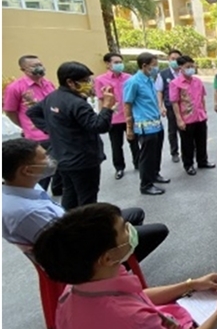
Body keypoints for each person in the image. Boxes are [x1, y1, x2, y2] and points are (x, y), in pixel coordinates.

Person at [32, 203, 217, 329]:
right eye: (124, 229)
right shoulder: (131, 324)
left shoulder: (74, 290)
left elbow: (138, 296)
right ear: (106, 257)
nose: (131, 230)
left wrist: (192, 284)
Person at [2, 138, 168, 262]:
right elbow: (71, 248)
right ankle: (111, 269)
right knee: (159, 230)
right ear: (27, 170)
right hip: (81, 252)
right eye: (44, 157)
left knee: (135, 213)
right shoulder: (28, 213)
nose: (49, 160)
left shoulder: (21, 187)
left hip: (71, 230)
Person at [26, 62, 115, 210]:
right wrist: (107, 107)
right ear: (70, 82)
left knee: (70, 194)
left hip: (62, 158)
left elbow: (32, 112)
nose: (88, 84)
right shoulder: (77, 103)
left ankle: (67, 224)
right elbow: (99, 126)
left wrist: (53, 129)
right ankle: (88, 228)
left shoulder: (53, 97)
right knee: (87, 199)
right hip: (83, 160)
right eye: (84, 81)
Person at [3, 55, 61, 194]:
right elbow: (10, 111)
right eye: (34, 66)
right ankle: (38, 195)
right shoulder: (15, 87)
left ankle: (58, 190)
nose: (39, 68)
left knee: (58, 165)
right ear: (23, 69)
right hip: (36, 135)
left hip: (54, 131)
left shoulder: (48, 83)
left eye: (40, 64)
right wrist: (24, 126)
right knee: (41, 169)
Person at [124, 52, 170, 196]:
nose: (156, 68)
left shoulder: (150, 79)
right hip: (145, 125)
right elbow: (127, 104)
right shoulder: (134, 82)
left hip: (156, 122)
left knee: (156, 153)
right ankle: (146, 184)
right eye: (154, 65)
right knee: (146, 156)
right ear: (144, 66)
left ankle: (155, 174)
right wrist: (129, 127)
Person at [95, 52, 139, 180]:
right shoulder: (101, 80)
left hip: (129, 115)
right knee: (116, 144)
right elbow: (100, 99)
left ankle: (138, 163)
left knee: (134, 141)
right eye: (116, 62)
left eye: (120, 62)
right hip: (113, 118)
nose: (119, 65)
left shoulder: (129, 78)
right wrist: (102, 116)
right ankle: (119, 168)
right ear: (108, 64)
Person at [169, 56, 216, 176]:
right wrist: (179, 119)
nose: (191, 69)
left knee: (201, 141)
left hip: (199, 116)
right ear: (180, 68)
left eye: (192, 66)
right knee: (187, 144)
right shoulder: (175, 83)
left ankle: (202, 161)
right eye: (187, 67)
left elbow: (202, 98)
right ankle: (188, 164)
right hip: (186, 118)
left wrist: (204, 112)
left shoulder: (198, 81)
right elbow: (175, 103)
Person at [156, 49, 182, 163]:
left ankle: (190, 149)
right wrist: (161, 106)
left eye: (177, 59)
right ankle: (174, 152)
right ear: (168, 60)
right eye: (173, 59)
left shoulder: (184, 72)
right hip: (170, 106)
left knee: (187, 129)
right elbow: (160, 91)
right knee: (173, 130)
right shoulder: (163, 74)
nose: (175, 61)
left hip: (184, 106)